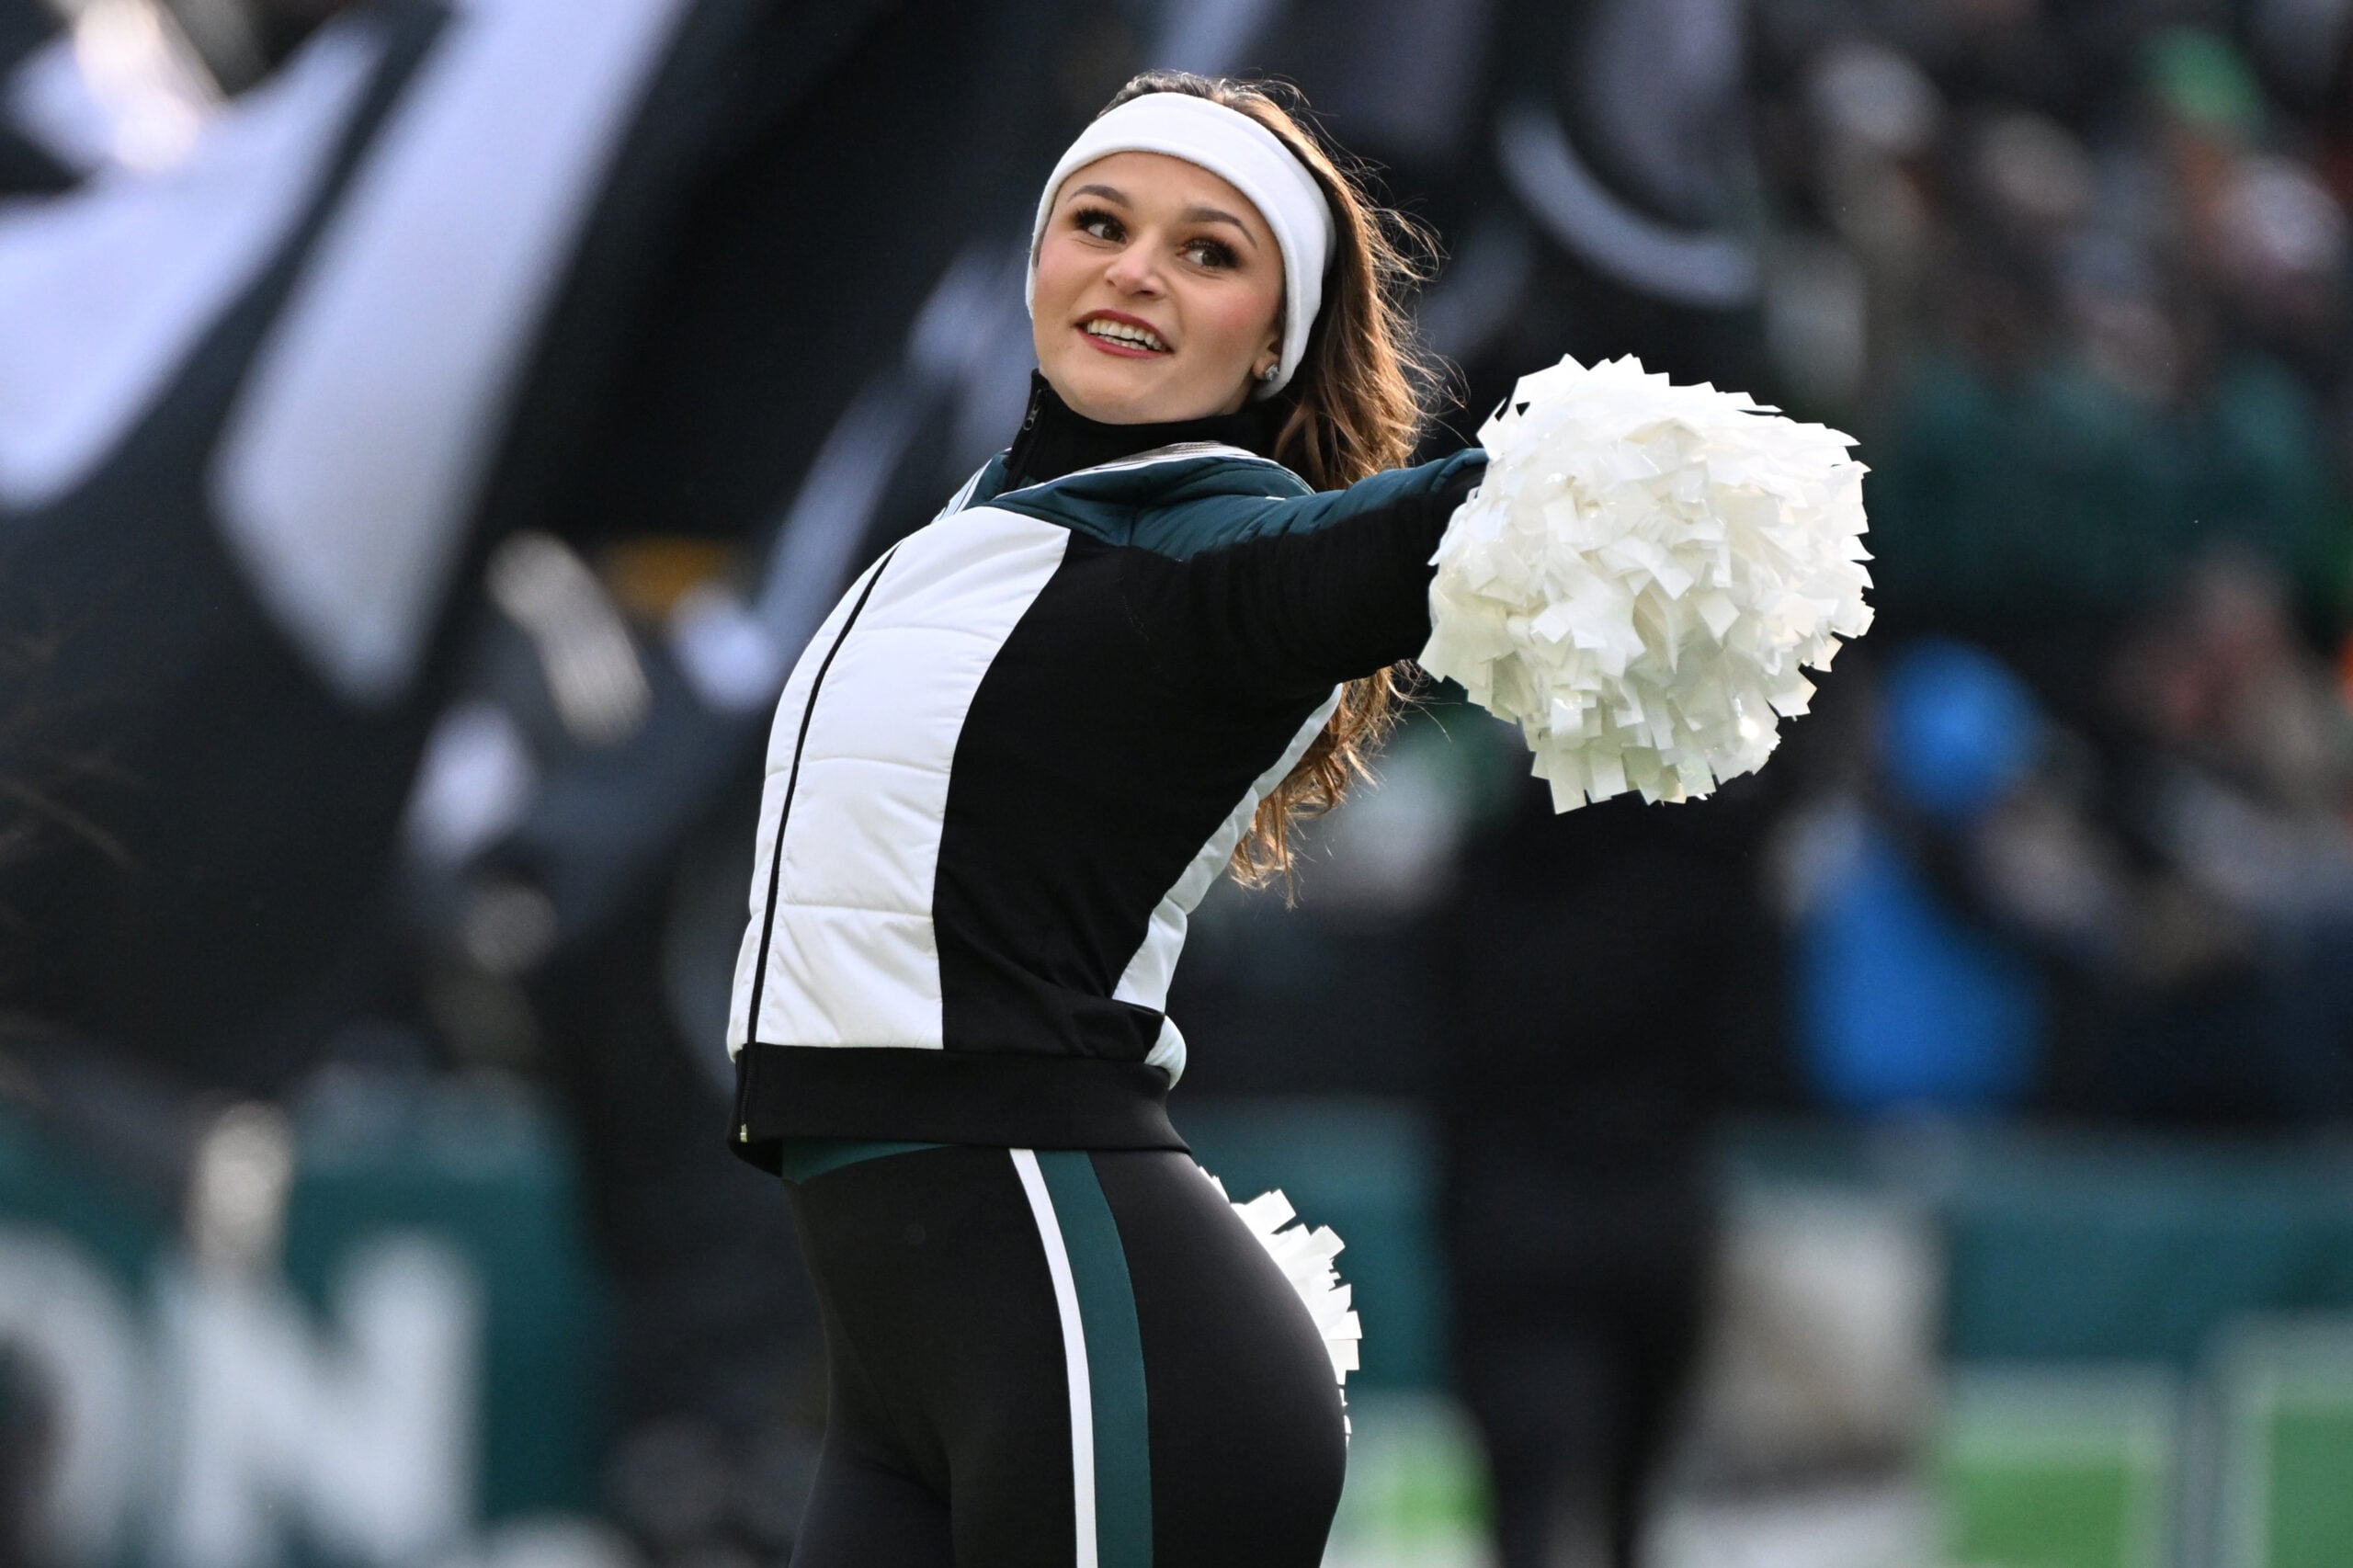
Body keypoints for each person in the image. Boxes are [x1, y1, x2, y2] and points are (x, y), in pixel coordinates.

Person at [722, 72, 1485, 1567]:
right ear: (1037, 264)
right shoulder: (977, 531)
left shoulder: (1218, 555)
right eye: (1100, 223)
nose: (1137, 269)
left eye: (1209, 252)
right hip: (902, 1375)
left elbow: (1411, 536)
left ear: (1271, 339)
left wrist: (1609, 481)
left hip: (1101, 1335)